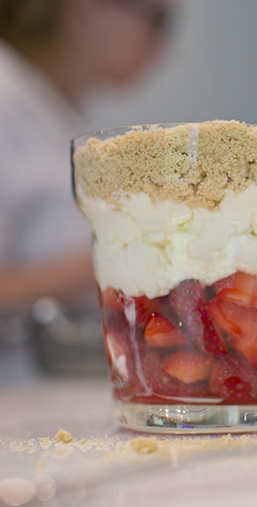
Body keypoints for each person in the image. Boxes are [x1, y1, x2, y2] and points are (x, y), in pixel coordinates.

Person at [0, 0, 173, 382]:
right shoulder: (5, 98)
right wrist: (114, 256)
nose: (166, 45)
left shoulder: (53, 109)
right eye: (159, 20)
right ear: (87, 10)